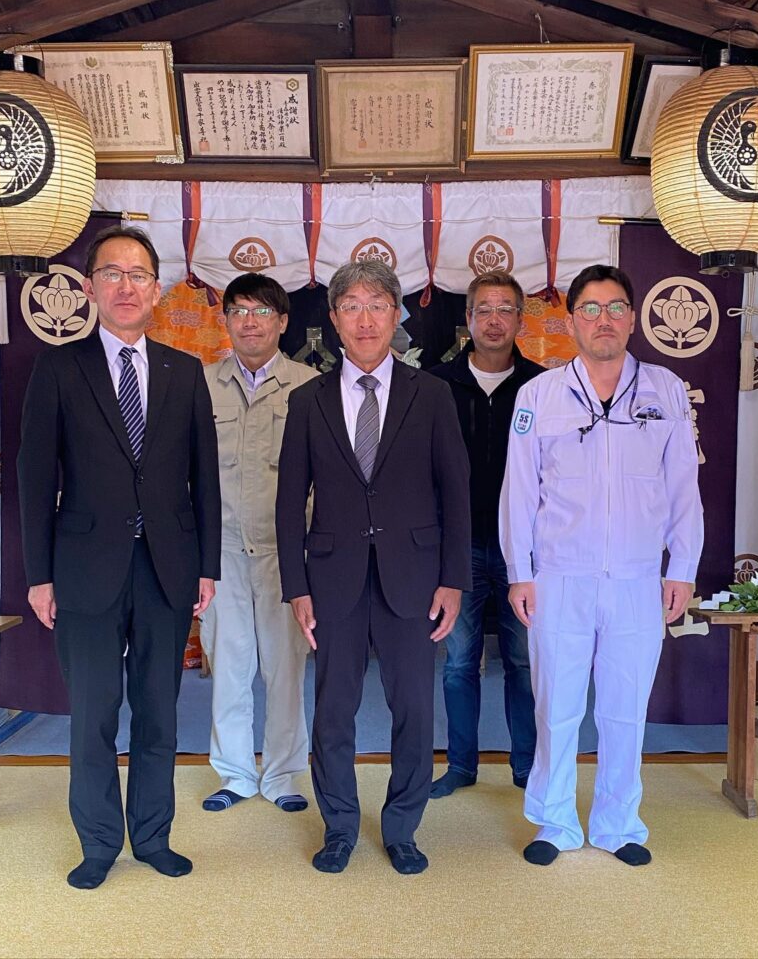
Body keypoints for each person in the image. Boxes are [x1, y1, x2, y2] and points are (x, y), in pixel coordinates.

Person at [17, 225, 221, 890]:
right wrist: (39, 575)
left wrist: (207, 565)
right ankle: (100, 843)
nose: (126, 286)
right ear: (90, 287)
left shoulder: (183, 372)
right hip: (83, 572)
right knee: (95, 717)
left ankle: (154, 837)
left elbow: (205, 478)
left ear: (155, 289)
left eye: (138, 275)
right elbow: (32, 475)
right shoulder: (58, 367)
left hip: (166, 569)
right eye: (113, 273)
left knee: (160, 713)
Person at [500, 263, 703, 868]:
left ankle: (619, 824)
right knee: (556, 704)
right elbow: (519, 492)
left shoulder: (665, 390)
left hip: (639, 578)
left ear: (634, 318)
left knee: (624, 705)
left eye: (615, 307)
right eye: (590, 309)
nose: (603, 320)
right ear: (571, 322)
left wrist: (683, 565)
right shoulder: (538, 396)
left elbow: (683, 487)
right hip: (560, 576)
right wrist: (520, 571)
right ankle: (555, 821)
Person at [276, 260, 471, 876]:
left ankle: (403, 828)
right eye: (352, 305)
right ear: (333, 320)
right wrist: (296, 587)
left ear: (396, 316)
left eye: (377, 304)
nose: (365, 317)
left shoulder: (432, 394)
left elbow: (456, 490)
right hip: (332, 579)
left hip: (413, 577)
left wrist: (453, 578)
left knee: (414, 707)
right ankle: (338, 827)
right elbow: (288, 500)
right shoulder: (306, 400)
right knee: (332, 709)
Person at [200, 273, 318, 815]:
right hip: (220, 550)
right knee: (228, 665)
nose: (251, 321)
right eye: (240, 310)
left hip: (285, 555)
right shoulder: (199, 384)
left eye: (263, 311)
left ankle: (283, 774)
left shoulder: (309, 386)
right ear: (225, 320)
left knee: (285, 668)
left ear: (283, 322)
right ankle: (235, 774)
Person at [428, 271, 543, 799]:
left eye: (506, 309)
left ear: (521, 318)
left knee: (522, 661)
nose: (495, 319)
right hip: (459, 547)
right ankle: (460, 765)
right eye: (484, 310)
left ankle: (526, 766)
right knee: (459, 661)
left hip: (526, 551)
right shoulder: (436, 385)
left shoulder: (544, 387)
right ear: (468, 320)